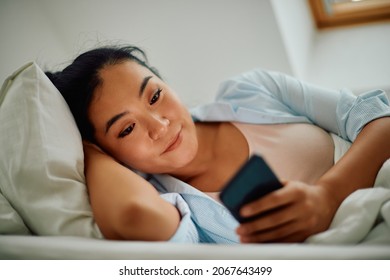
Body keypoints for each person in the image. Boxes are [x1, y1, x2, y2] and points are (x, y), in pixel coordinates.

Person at [45, 45, 390, 243]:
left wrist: (326, 197)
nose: (160, 125)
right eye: (127, 128)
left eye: (155, 95)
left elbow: (380, 120)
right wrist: (88, 149)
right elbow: (135, 216)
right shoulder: (170, 202)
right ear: (108, 152)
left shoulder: (253, 90)